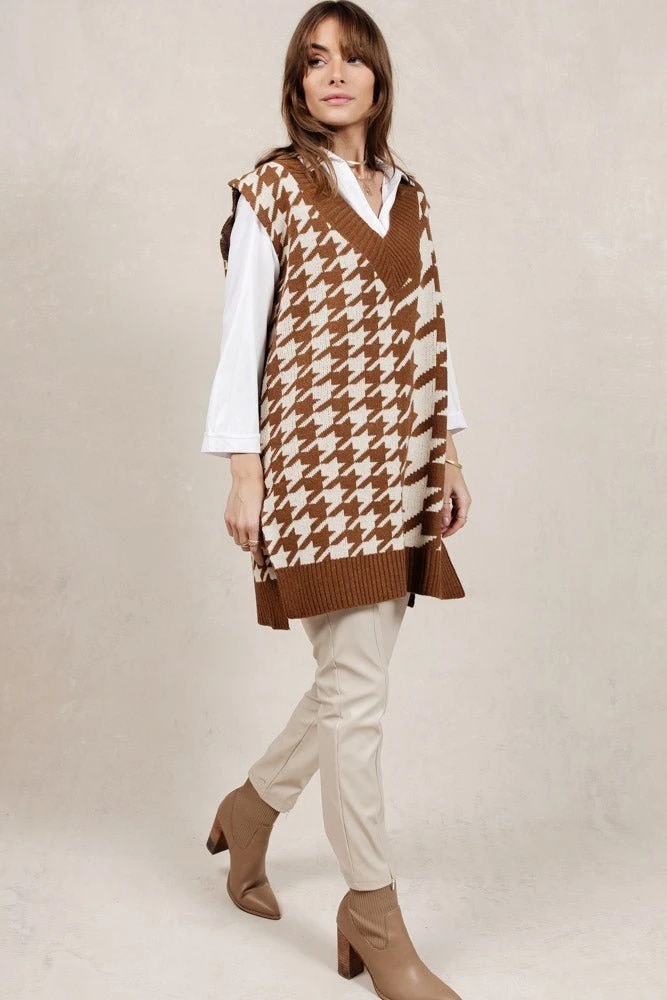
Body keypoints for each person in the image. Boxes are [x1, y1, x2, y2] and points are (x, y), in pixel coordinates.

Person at [200, 3, 472, 998]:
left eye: (352, 58)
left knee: (350, 683)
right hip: (313, 475)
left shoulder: (409, 197)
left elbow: (428, 330)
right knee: (356, 698)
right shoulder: (273, 190)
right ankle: (374, 914)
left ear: (378, 78)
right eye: (314, 60)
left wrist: (447, 452)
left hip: (398, 466)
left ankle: (251, 808)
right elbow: (241, 337)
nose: (334, 73)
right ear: (298, 85)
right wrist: (244, 468)